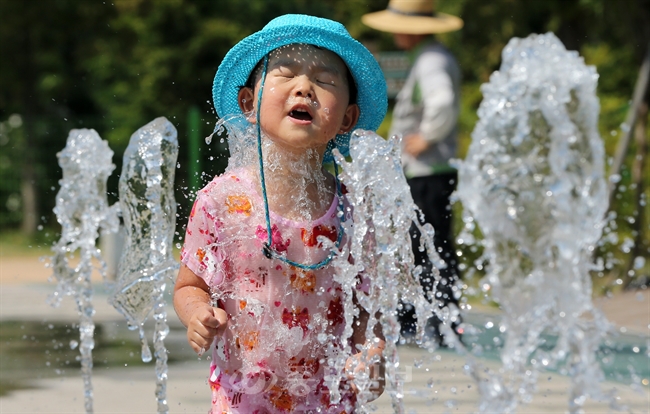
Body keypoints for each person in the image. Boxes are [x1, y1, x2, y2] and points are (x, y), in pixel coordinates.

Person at [173, 15, 388, 413]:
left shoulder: (351, 208)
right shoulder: (222, 201)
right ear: (248, 103)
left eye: (325, 81)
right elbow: (189, 285)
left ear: (347, 118)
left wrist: (372, 353)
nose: (304, 87)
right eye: (285, 74)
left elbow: (365, 303)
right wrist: (198, 313)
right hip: (245, 400)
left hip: (330, 399)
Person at [362, 0, 463, 344]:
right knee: (420, 245)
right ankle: (426, 320)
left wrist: (426, 137)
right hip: (425, 170)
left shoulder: (431, 60)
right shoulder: (429, 57)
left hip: (427, 170)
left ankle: (443, 322)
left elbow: (443, 102)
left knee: (429, 246)